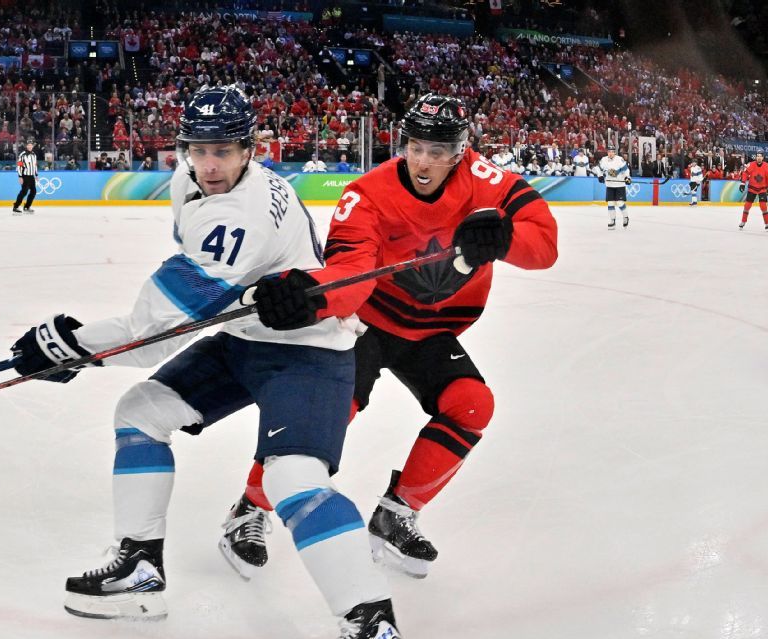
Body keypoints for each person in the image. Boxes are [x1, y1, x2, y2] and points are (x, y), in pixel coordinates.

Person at [8, 85, 413, 639]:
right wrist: (78, 349)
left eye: (223, 150)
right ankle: (139, 567)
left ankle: (373, 628)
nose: (209, 164)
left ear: (251, 149)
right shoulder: (191, 180)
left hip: (309, 351)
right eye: (198, 150)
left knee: (292, 477)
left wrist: (70, 345)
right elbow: (181, 313)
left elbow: (151, 335)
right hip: (244, 338)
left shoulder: (240, 218)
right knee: (141, 413)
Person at [219, 94, 558, 580]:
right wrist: (312, 298)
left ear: (460, 152)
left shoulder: (488, 183)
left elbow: (544, 245)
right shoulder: (368, 193)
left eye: (438, 152)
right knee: (328, 413)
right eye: (415, 147)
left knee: (471, 404)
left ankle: (396, 514)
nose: (423, 162)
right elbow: (350, 270)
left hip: (432, 330)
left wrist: (506, 238)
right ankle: (250, 507)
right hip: (367, 323)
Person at [738, 152, 768, 230]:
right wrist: (742, 183)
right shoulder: (751, 164)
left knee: (763, 206)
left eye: (760, 156)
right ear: (756, 157)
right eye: (757, 156)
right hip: (752, 188)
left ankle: (767, 223)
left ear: (763, 158)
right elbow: (745, 174)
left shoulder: (767, 166)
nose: (759, 157)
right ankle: (743, 221)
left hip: (762, 189)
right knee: (747, 206)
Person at [599, 147, 630, 229]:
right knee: (610, 203)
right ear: (607, 152)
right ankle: (612, 221)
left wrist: (627, 178)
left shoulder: (619, 159)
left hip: (620, 185)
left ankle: (625, 217)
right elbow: (599, 169)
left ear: (615, 153)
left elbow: (626, 170)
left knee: (620, 203)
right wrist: (600, 176)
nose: (610, 153)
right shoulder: (604, 160)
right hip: (609, 185)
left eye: (612, 152)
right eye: (609, 151)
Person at [12, 141, 39, 215]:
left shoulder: (34, 155)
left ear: (32, 146)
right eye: (28, 145)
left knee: (33, 191)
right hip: (25, 176)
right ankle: (16, 206)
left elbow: (35, 165)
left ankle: (27, 207)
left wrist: (36, 175)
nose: (30, 146)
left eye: (31, 145)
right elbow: (19, 166)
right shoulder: (22, 155)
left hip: (31, 176)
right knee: (24, 192)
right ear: (26, 146)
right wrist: (20, 176)